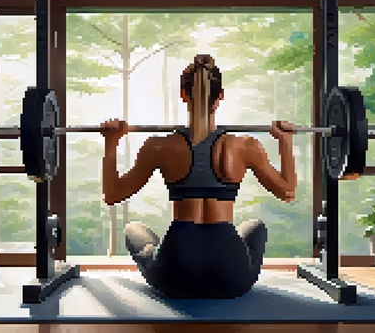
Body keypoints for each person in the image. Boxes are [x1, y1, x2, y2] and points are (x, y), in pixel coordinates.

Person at [100, 54, 296, 299]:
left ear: (183, 95)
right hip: (231, 277)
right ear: (221, 95)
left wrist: (111, 143)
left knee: (134, 229)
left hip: (176, 274)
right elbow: (288, 192)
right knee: (255, 227)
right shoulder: (246, 146)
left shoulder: (159, 146)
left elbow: (112, 194)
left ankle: (164, 259)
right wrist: (285, 143)